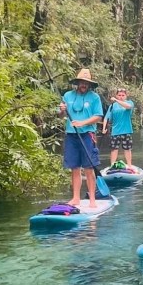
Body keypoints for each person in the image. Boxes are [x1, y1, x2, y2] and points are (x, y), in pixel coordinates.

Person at [59, 68, 103, 208]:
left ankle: (92, 200)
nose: (84, 85)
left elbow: (98, 116)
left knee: (89, 168)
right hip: (71, 135)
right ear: (77, 82)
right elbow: (61, 115)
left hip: (87, 135)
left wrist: (82, 123)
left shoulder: (94, 97)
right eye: (81, 82)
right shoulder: (67, 95)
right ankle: (76, 198)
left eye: (86, 83)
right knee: (74, 167)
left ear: (89, 84)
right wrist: (61, 110)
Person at [103, 87, 135, 168]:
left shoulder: (129, 103)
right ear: (116, 95)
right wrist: (104, 128)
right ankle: (112, 165)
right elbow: (106, 118)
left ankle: (129, 165)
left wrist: (117, 100)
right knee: (114, 149)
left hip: (126, 131)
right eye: (119, 95)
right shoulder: (113, 106)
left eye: (123, 95)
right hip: (115, 131)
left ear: (126, 96)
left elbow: (128, 107)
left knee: (127, 149)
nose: (121, 96)